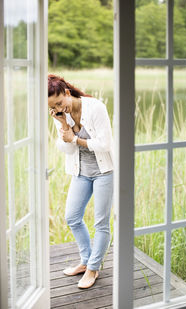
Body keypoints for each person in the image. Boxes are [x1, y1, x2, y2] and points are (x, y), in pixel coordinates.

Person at [48, 74, 114, 289]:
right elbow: (67, 149)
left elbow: (105, 144)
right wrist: (62, 125)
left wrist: (75, 138)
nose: (59, 108)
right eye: (53, 107)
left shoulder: (95, 107)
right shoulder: (61, 115)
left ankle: (94, 268)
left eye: (59, 102)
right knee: (72, 217)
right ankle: (86, 261)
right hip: (81, 172)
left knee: (101, 223)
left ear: (67, 93)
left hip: (104, 171)